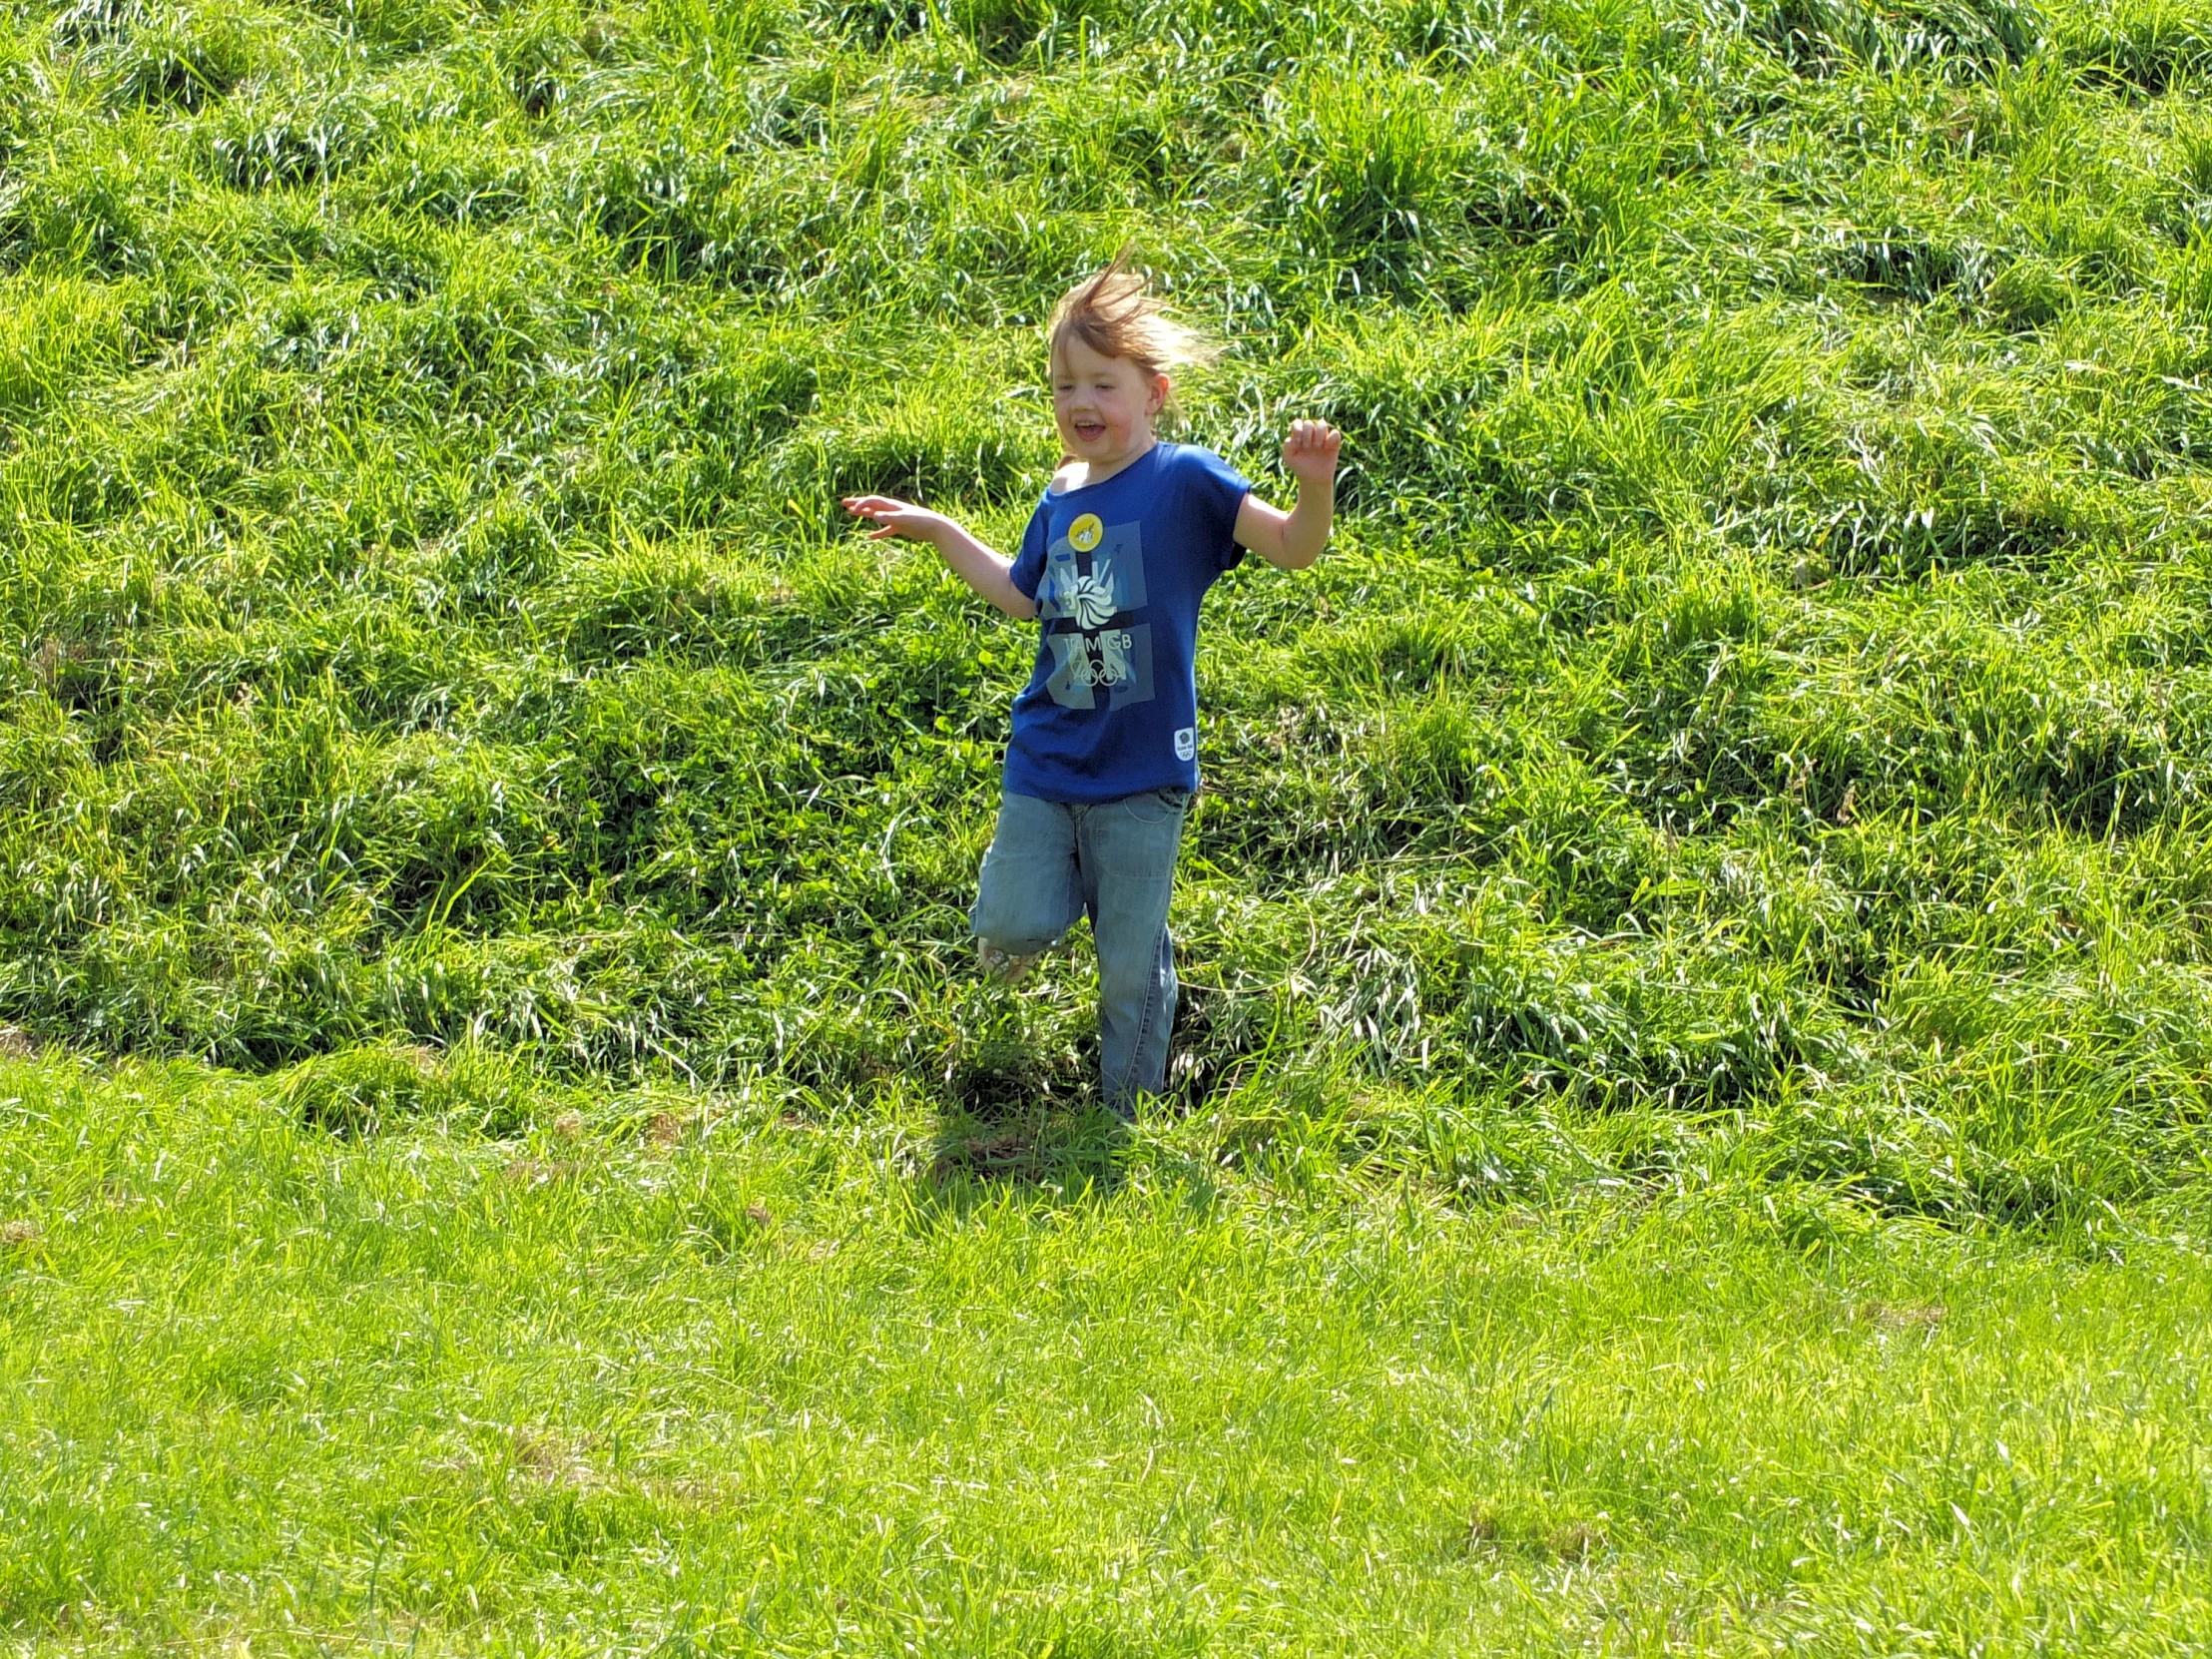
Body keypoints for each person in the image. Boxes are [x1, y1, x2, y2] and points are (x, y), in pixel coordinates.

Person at [842, 254, 1341, 1117]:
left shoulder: (1186, 479)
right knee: (1010, 926)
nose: (1080, 404)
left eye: (1102, 385)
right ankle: (1080, 910)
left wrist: (1315, 486)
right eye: (1063, 385)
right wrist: (939, 530)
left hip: (1143, 773)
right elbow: (1020, 597)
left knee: (1128, 970)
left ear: (1154, 391)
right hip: (1048, 757)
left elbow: (1296, 548)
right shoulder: (1060, 494)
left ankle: (1124, 1119)